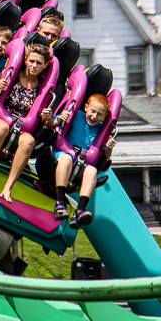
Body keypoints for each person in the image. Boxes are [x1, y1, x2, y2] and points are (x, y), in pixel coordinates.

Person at [0, 43, 53, 201]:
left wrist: (47, 117)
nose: (34, 65)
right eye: (32, 61)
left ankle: (8, 187)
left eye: (39, 63)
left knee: (29, 141)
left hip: (21, 126)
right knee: (2, 128)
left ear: (44, 65)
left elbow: (46, 120)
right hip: (0, 117)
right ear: (25, 60)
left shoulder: (42, 87)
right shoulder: (12, 73)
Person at [52, 93, 117, 227]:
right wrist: (58, 119)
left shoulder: (102, 131)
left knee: (92, 170)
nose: (94, 116)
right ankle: (60, 204)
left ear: (104, 116)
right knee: (66, 158)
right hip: (64, 156)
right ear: (86, 107)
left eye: (99, 114)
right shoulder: (75, 116)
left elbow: (105, 156)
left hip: (83, 165)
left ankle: (80, 210)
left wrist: (109, 148)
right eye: (92, 111)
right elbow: (50, 123)